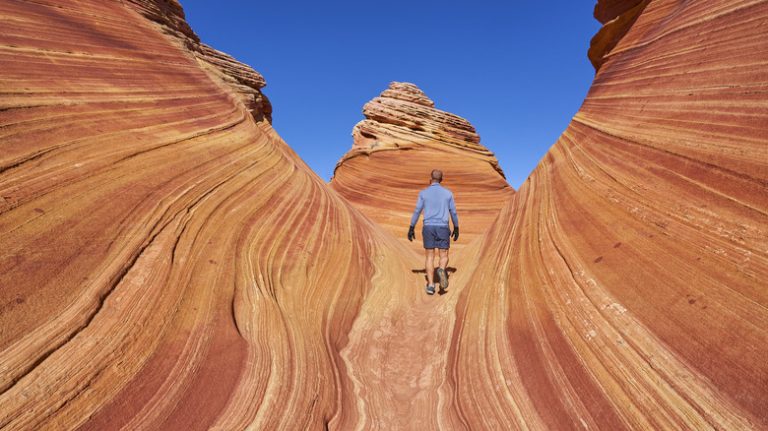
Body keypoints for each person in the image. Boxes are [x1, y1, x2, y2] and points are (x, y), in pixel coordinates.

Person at [407, 169, 459, 295]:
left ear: (430, 179)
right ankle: (441, 269)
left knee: (429, 256)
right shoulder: (448, 193)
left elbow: (417, 210)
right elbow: (453, 212)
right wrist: (456, 227)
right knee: (444, 254)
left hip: (428, 227)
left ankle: (430, 285)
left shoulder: (423, 193)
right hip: (442, 227)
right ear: (441, 180)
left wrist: (411, 227)